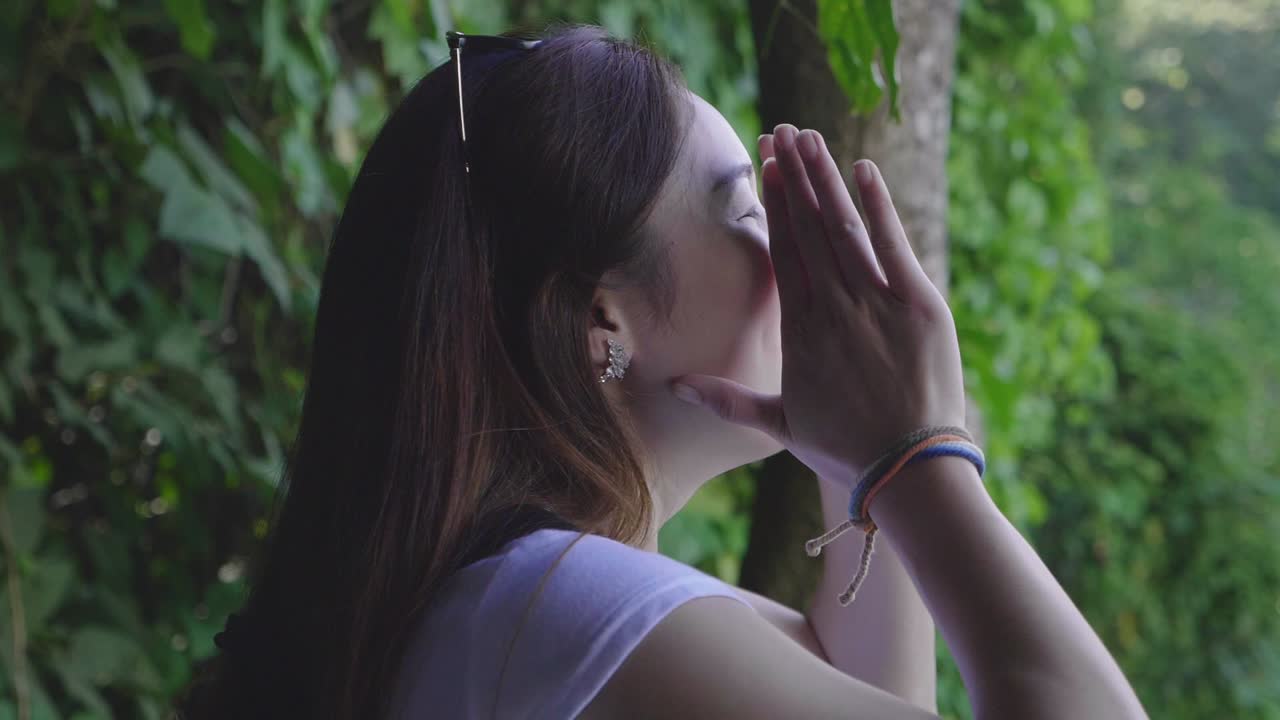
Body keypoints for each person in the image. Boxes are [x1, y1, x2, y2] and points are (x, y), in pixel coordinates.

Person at [177, 23, 1149, 720]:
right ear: (605, 313)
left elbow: (876, 700)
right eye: (748, 215)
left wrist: (866, 461)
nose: (795, 259)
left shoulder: (514, 611)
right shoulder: (563, 609)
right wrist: (919, 454)